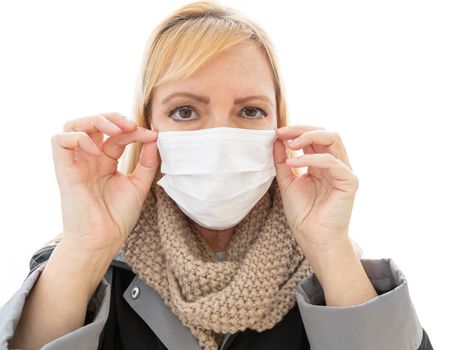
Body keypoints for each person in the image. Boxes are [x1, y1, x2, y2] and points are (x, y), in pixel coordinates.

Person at [0, 1, 433, 349]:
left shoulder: (334, 274)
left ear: (278, 126)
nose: (220, 137)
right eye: (185, 111)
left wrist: (330, 250)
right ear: (147, 127)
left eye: (250, 111)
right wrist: (86, 248)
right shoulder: (82, 267)